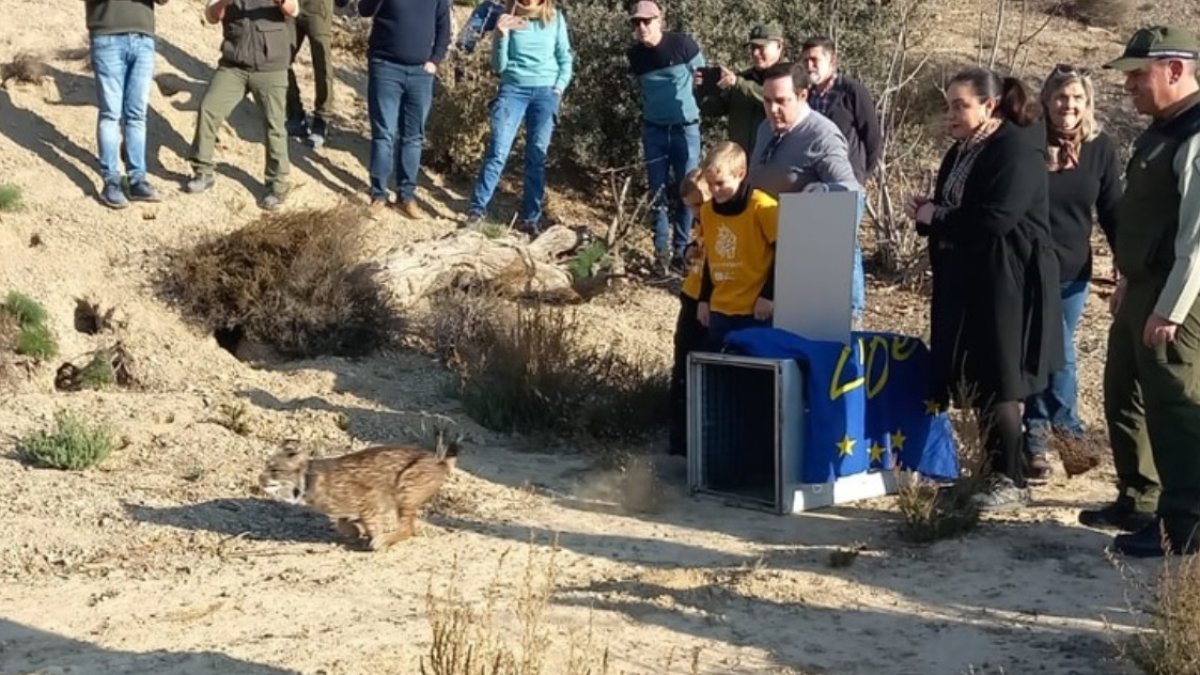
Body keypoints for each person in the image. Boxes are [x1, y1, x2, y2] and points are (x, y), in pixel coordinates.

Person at [904, 67, 1062, 511]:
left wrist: (938, 216)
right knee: (974, 373)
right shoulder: (961, 151)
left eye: (960, 105)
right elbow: (953, 209)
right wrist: (927, 215)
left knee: (1000, 376)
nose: (951, 114)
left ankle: (1011, 478)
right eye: (949, 104)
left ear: (989, 106)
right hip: (966, 278)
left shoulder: (1015, 151)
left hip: (1008, 280)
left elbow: (996, 218)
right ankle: (988, 473)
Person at [1099, 25, 1200, 557]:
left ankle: (1184, 523)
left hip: (1174, 291)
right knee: (1124, 390)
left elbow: (1197, 240)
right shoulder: (1161, 129)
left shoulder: (1195, 133)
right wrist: (1125, 281)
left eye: (1139, 74)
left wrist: (1171, 308)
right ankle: (1139, 497)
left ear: (1176, 70)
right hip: (1140, 284)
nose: (1129, 86)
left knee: (1171, 405)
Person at [1023, 64, 1122, 481]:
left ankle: (1035, 444)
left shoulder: (1101, 147)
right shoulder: (1027, 142)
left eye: (1077, 98)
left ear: (1088, 103)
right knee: (1057, 354)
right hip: (1030, 264)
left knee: (1050, 356)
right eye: (1062, 97)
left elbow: (1112, 208)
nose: (1069, 105)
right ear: (1046, 100)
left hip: (1075, 270)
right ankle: (1069, 435)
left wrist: (1123, 260)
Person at [462, 0, 573, 234]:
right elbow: (498, 66)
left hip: (545, 94)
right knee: (498, 151)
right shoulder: (508, 16)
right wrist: (501, 36)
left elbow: (565, 57)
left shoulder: (554, 18)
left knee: (536, 155)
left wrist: (559, 88)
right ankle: (476, 209)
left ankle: (530, 218)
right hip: (513, 90)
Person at [187, 0, 299, 211]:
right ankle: (202, 171)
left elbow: (293, 10)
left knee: (274, 125)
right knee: (209, 109)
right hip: (234, 65)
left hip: (271, 67)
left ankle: (278, 186)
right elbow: (211, 15)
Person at [800, 36, 882, 325]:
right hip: (811, 187)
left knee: (846, 246)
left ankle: (853, 310)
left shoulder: (852, 91)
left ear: (832, 61)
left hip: (846, 184)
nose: (810, 65)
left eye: (815, 60)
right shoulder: (804, 95)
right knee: (816, 246)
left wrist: (860, 177)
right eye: (806, 60)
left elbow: (872, 138)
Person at [626, 0, 705, 274]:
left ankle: (682, 252)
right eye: (637, 22)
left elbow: (703, 78)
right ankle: (661, 253)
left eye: (647, 21)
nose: (642, 27)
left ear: (660, 20)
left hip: (686, 128)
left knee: (688, 190)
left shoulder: (683, 44)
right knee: (656, 191)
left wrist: (700, 85)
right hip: (654, 130)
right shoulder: (635, 56)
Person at [361, 0, 451, 219]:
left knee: (413, 137)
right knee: (384, 134)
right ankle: (379, 195)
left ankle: (406, 197)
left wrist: (435, 60)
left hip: (421, 74)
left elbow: (444, 27)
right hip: (386, 68)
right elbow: (364, 9)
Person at [84, 0, 168, 209]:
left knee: (137, 115)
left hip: (143, 39)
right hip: (107, 36)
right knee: (111, 114)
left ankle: (137, 180)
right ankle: (111, 181)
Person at [696, 141, 779, 349]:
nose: (715, 190)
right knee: (721, 372)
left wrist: (769, 295)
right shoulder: (707, 211)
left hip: (756, 310)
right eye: (710, 184)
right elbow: (709, 257)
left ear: (740, 174)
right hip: (720, 309)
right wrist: (704, 299)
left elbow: (784, 254)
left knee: (752, 372)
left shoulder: (762, 206)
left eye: (721, 183)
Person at [747, 62, 858, 198]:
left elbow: (850, 190)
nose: (773, 109)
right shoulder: (765, 127)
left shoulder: (822, 137)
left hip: (797, 218)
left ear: (803, 96)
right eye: (767, 101)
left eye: (781, 101)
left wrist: (826, 190)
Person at [668, 169, 710, 457]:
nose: (695, 212)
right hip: (691, 295)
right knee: (681, 367)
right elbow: (695, 249)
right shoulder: (701, 223)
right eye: (690, 207)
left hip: (711, 303)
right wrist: (688, 252)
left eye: (698, 204)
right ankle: (679, 440)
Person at [695, 23, 784, 156]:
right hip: (740, 160)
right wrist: (700, 91)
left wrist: (738, 83)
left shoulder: (788, 78)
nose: (755, 53)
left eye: (761, 47)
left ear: (779, 46)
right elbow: (714, 109)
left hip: (773, 159)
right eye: (753, 48)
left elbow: (769, 98)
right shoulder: (742, 78)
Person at [285, 0, 336, 149]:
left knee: (322, 64)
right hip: (291, 4)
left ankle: (322, 119)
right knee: (281, 57)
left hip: (318, 6)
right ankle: (295, 114)